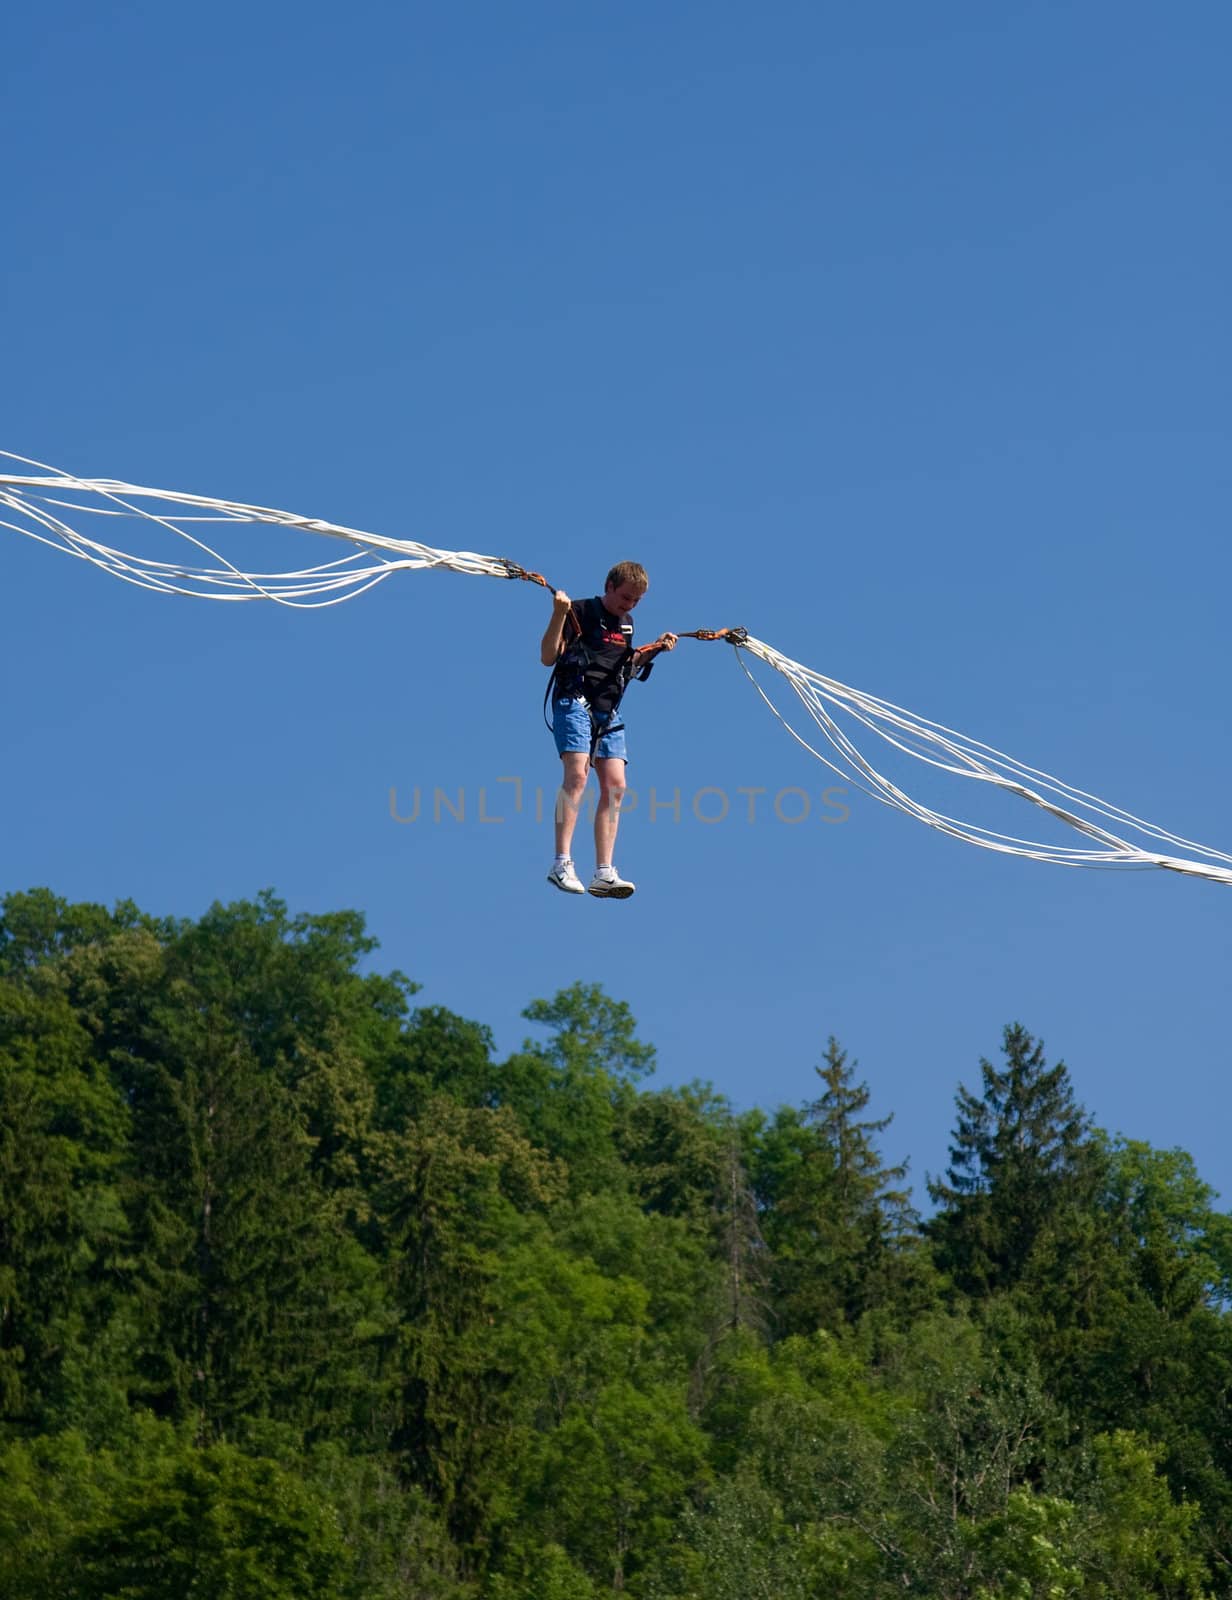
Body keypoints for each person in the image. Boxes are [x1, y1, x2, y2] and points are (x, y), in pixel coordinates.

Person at [540, 561, 677, 898]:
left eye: (635, 601)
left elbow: (623, 666)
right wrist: (559, 613)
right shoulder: (580, 611)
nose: (628, 605)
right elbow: (548, 656)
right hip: (574, 701)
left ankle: (604, 872)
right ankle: (561, 863)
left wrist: (656, 648)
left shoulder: (627, 626)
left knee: (616, 786)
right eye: (625, 598)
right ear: (610, 586)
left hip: (607, 712)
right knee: (577, 777)